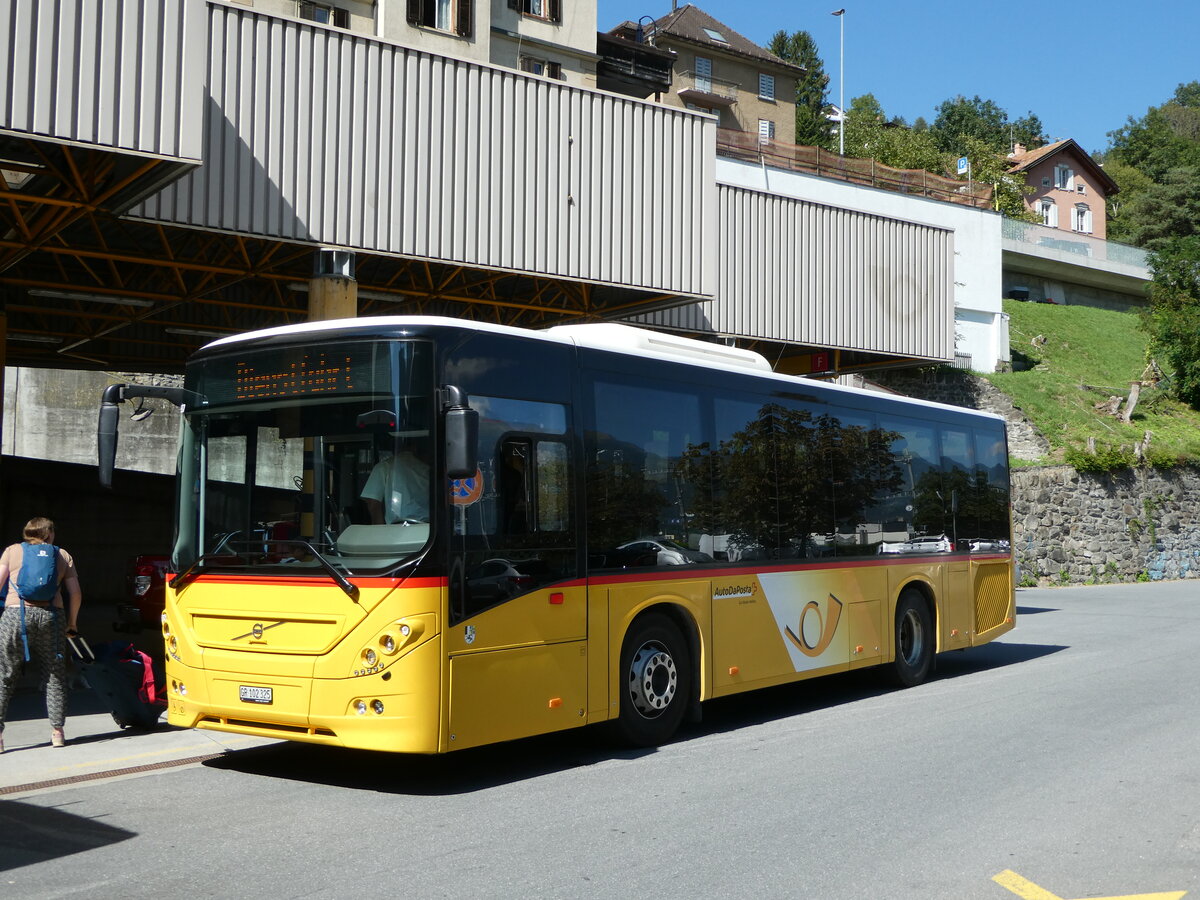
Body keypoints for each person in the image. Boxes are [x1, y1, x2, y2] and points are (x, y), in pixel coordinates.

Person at [0, 517, 82, 751]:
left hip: (16, 616)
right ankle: (57, 732)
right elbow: (75, 593)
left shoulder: (12, 551)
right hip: (51, 616)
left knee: (4, 675)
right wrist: (72, 624)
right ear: (49, 534)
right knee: (54, 676)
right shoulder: (62, 555)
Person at [360, 443, 431, 525]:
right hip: (427, 528)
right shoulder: (428, 469)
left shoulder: (384, 467)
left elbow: (373, 504)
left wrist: (379, 533)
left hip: (397, 530)